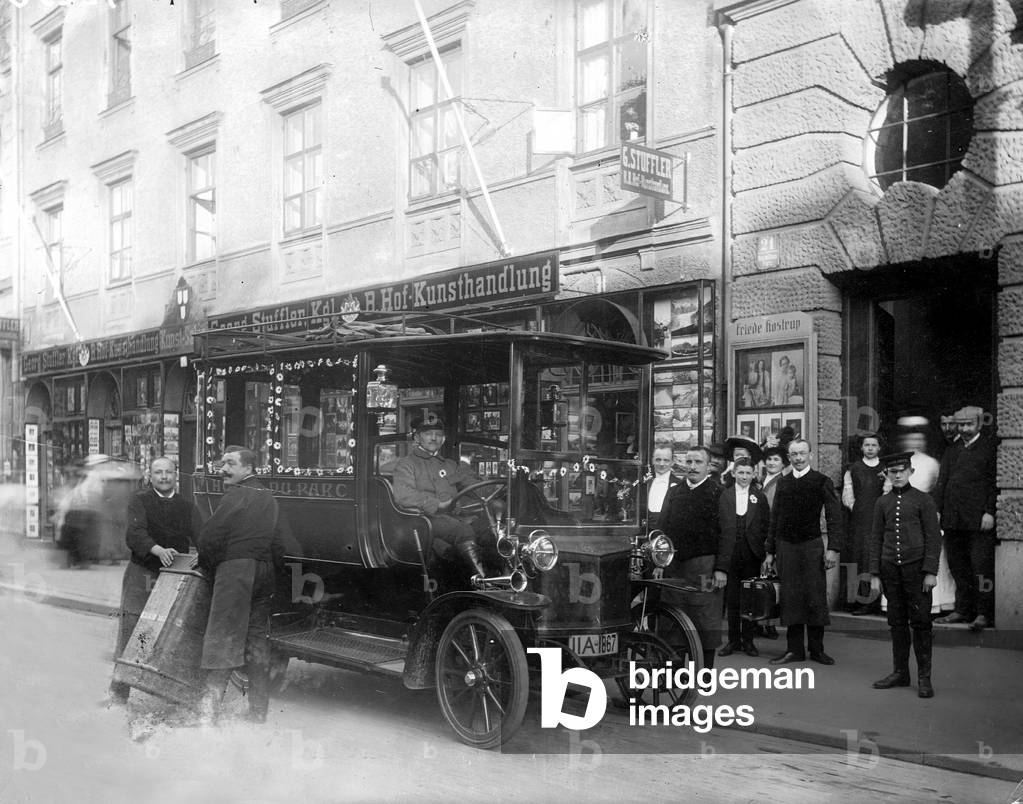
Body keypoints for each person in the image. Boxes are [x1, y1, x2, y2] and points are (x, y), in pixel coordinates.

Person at [196, 446, 279, 725]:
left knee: (223, 638)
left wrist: (210, 568)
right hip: (264, 571)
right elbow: (279, 541)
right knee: (256, 640)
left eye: (230, 463)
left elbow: (209, 537)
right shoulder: (268, 496)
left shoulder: (235, 495)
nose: (223, 469)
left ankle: (208, 713)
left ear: (248, 468)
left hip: (236, 572)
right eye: (222, 463)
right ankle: (258, 711)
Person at [109, 456, 201, 704]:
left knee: (170, 631)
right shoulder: (139, 501)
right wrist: (157, 549)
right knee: (134, 627)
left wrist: (204, 552)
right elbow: (134, 533)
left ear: (176, 475)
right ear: (151, 476)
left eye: (168, 472)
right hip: (143, 572)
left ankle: (167, 691)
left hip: (174, 577)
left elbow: (201, 535)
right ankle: (120, 691)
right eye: (158, 472)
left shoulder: (187, 506)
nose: (163, 477)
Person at [764, 438, 844, 665]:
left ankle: (817, 650)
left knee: (814, 596)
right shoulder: (784, 483)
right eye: (794, 455)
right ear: (789, 458)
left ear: (810, 455)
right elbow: (775, 519)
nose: (798, 458)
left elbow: (834, 516)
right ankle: (794, 650)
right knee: (790, 597)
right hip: (786, 547)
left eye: (802, 454)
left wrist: (833, 549)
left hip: (811, 546)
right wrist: (770, 551)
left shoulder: (821, 481)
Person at [868, 451, 941, 698]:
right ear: (887, 474)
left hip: (917, 571)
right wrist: (875, 573)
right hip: (890, 571)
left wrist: (930, 572)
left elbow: (933, 539)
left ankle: (924, 678)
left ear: (911, 472)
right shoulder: (882, 502)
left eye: (901, 471)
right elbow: (875, 539)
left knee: (921, 624)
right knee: (896, 623)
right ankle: (900, 673)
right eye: (892, 472)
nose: (897, 475)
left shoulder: (924, 500)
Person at [657, 446, 733, 670]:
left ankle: (704, 673)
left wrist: (721, 569)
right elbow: (662, 529)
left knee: (704, 619)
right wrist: (660, 562)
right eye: (689, 462)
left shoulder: (719, 493)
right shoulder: (674, 492)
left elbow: (727, 534)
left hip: (705, 567)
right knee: (673, 619)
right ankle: (676, 670)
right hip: (674, 568)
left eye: (698, 462)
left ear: (708, 466)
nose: (692, 467)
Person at [393, 416, 491, 581]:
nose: (433, 438)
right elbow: (404, 495)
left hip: (454, 516)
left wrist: (490, 486)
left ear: (443, 439)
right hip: (426, 520)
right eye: (428, 434)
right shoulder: (407, 464)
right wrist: (437, 504)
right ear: (417, 437)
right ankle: (482, 581)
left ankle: (501, 575)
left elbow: (473, 485)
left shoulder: (450, 465)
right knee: (463, 531)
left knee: (487, 527)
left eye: (438, 434)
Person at [934, 406, 998, 632]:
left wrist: (989, 511)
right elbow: (942, 482)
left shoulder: (990, 449)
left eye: (969, 424)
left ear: (979, 424)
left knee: (981, 568)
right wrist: (938, 510)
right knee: (958, 567)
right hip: (953, 519)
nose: (964, 429)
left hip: (979, 520)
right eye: (961, 425)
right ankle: (962, 610)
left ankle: (983, 613)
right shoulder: (952, 450)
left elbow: (994, 484)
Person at [718, 458, 769, 658]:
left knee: (750, 599)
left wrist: (763, 552)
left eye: (748, 473)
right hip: (731, 554)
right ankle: (733, 641)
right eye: (741, 473)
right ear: (733, 473)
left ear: (754, 474)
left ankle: (748, 641)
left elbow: (765, 524)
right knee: (732, 599)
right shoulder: (725, 495)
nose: (745, 477)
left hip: (751, 554)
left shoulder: (759, 496)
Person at [842, 433, 885, 615]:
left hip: (879, 518)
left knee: (873, 559)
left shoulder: (885, 468)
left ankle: (875, 601)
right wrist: (858, 509)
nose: (869, 448)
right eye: (866, 445)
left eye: (873, 445)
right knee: (858, 558)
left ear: (879, 448)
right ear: (861, 448)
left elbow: (888, 492)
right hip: (859, 520)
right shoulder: (853, 469)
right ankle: (859, 600)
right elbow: (847, 495)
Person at [645, 442, 682, 527]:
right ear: (652, 460)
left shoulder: (680, 485)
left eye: (666, 460)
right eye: (658, 460)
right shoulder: (644, 483)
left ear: (672, 462)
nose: (661, 464)